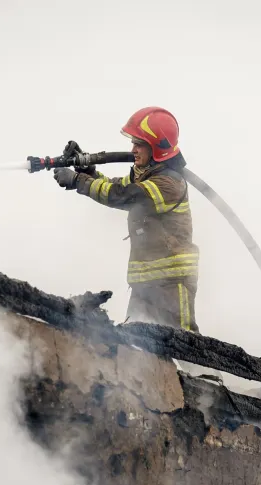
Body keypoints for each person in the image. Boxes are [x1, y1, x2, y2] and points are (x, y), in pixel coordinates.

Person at [53, 106, 201, 334]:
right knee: (135, 344)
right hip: (145, 284)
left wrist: (78, 181)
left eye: (139, 144)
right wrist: (89, 171)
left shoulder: (169, 184)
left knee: (188, 351)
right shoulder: (146, 176)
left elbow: (123, 196)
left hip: (171, 284)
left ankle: (209, 373)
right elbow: (117, 187)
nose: (132, 149)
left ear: (156, 148)